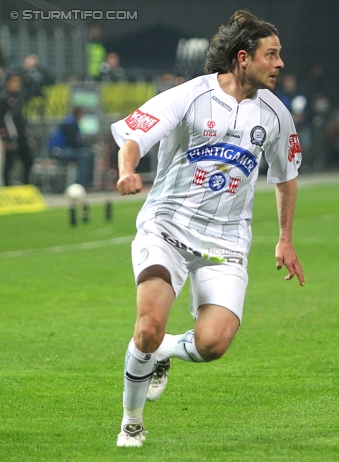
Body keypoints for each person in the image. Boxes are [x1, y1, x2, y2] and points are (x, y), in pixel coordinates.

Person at [111, 10, 304, 447]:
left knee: (213, 343)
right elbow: (134, 136)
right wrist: (127, 171)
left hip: (227, 241)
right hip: (168, 228)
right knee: (147, 327)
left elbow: (286, 175)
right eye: (271, 55)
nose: (280, 64)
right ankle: (131, 423)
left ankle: (164, 353)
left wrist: (285, 238)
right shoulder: (190, 96)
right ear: (243, 58)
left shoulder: (276, 115)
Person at [0, 72, 34, 187]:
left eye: (18, 81)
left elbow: (23, 119)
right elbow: (2, 120)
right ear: (8, 83)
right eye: (14, 81)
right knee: (9, 164)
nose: (16, 84)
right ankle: (7, 189)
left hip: (22, 136)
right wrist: (4, 138)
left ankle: (26, 186)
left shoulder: (21, 98)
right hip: (11, 137)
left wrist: (30, 136)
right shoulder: (3, 98)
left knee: (28, 160)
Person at [48, 106, 95, 188]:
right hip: (58, 151)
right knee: (84, 155)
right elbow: (74, 142)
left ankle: (88, 182)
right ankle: (81, 183)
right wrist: (88, 147)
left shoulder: (73, 123)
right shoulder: (68, 124)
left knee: (89, 154)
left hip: (64, 150)